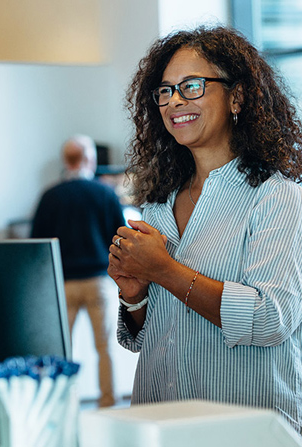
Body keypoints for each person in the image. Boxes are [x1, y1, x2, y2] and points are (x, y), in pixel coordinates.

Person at [109, 25, 302, 432]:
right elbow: (149, 340)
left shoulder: (277, 197)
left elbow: (271, 319)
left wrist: (164, 270)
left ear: (238, 95)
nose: (174, 101)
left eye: (192, 86)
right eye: (165, 91)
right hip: (160, 425)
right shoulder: (159, 203)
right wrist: (135, 299)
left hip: (246, 431)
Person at [30, 135, 126, 408]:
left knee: (62, 349)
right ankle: (108, 402)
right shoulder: (105, 193)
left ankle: (62, 403)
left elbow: (39, 244)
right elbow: (119, 238)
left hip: (64, 285)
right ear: (90, 159)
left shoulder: (50, 197)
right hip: (98, 281)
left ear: (65, 161)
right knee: (104, 347)